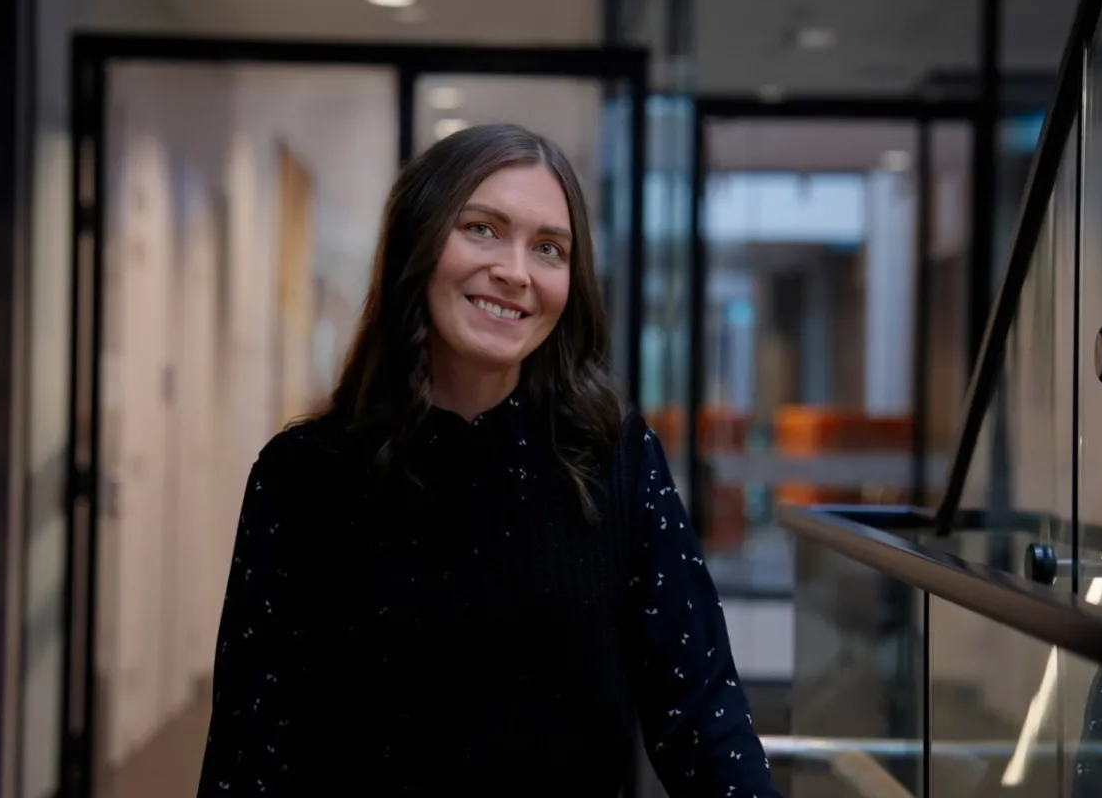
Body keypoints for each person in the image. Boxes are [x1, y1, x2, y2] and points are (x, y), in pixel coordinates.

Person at [197, 123, 781, 797]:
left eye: (548, 248)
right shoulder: (302, 476)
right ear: (420, 240)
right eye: (481, 228)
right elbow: (251, 750)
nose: (515, 271)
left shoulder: (613, 457)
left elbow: (703, 715)